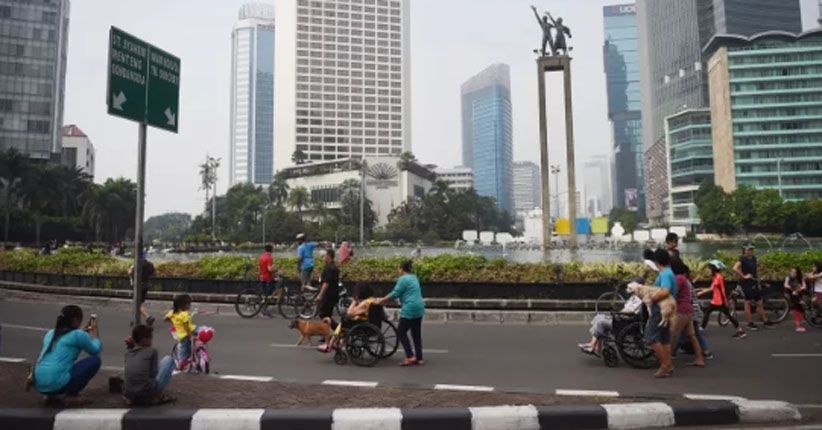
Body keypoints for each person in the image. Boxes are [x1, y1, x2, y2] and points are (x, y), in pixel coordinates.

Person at [32, 305, 102, 405]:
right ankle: (71, 395)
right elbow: (96, 349)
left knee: (58, 365)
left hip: (39, 383)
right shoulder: (77, 335)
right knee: (95, 360)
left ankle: (50, 396)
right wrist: (95, 331)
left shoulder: (50, 333)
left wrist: (81, 331)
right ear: (75, 320)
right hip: (56, 383)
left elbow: (70, 337)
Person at [629, 249, 676, 378]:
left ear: (657, 261)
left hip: (659, 308)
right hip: (665, 308)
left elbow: (665, 291)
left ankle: (665, 365)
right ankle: (669, 365)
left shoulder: (665, 274)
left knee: (650, 337)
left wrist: (652, 298)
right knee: (664, 339)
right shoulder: (668, 272)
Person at [376, 260, 425, 367]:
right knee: (416, 333)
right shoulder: (414, 277)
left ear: (402, 269)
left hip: (410, 308)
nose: (398, 270)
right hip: (419, 307)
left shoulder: (403, 279)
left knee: (401, 332)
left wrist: (381, 300)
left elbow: (395, 294)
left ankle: (410, 356)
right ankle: (419, 358)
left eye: (399, 268)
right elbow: (406, 293)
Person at [123, 324, 175, 405]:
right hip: (146, 391)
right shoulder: (152, 351)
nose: (152, 341)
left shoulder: (128, 352)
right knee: (168, 360)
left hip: (129, 392)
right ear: (144, 340)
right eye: (150, 338)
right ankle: (156, 396)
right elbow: (153, 374)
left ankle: (135, 398)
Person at [319, 283, 376, 353]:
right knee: (347, 322)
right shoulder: (373, 300)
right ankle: (340, 342)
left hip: (362, 326)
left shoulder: (364, 303)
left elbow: (349, 313)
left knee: (344, 323)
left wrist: (354, 301)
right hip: (371, 323)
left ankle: (330, 345)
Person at [668, 261, 705, 367]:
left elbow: (671, 292)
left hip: (681, 310)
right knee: (692, 335)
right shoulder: (684, 279)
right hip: (688, 310)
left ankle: (667, 361)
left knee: (672, 335)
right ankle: (699, 358)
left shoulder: (679, 278)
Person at [578, 295, 643, 355]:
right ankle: (596, 345)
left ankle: (593, 345)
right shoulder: (635, 297)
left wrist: (618, 313)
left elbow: (631, 311)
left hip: (624, 322)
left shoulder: (639, 300)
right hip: (623, 318)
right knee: (598, 317)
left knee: (600, 322)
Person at [699, 260, 746, 338]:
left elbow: (712, 288)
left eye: (711, 268)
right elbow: (713, 288)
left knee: (707, 313)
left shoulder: (718, 277)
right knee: (728, 316)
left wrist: (701, 292)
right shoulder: (717, 276)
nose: (709, 269)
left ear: (714, 269)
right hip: (719, 300)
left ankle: (701, 329)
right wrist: (701, 289)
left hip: (718, 301)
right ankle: (740, 331)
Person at [733, 244, 773, 330]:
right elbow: (735, 268)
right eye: (748, 250)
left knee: (759, 302)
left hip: (754, 282)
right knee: (748, 302)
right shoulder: (742, 259)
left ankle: (765, 321)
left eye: (751, 249)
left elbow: (756, 271)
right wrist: (744, 276)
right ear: (744, 250)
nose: (750, 251)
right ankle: (749, 323)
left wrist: (758, 281)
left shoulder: (754, 258)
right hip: (746, 283)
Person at [164, 294, 198, 370]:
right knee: (185, 349)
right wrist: (190, 335)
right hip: (185, 334)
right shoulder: (184, 314)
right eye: (188, 304)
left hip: (180, 333)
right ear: (183, 305)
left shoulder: (172, 312)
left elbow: (165, 319)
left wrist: (174, 323)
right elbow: (186, 327)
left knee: (186, 348)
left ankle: (185, 360)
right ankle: (180, 364)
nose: (190, 306)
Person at [128, 252, 157, 326]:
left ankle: (148, 317)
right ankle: (133, 319)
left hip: (138, 286)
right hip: (146, 285)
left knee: (137, 303)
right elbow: (154, 274)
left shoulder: (136, 264)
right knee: (139, 303)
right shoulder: (150, 264)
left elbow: (130, 273)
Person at [316, 249, 341, 321]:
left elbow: (326, 283)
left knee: (323, 315)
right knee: (327, 316)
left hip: (328, 295)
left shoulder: (329, 268)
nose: (323, 258)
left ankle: (337, 329)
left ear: (329, 256)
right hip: (333, 294)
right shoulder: (333, 267)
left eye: (324, 256)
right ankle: (334, 330)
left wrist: (320, 295)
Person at [784, 267, 807, 333]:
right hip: (790, 293)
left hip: (798, 293)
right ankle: (798, 326)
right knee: (797, 307)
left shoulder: (800, 278)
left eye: (794, 272)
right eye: (791, 271)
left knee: (800, 309)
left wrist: (799, 289)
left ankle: (799, 323)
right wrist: (793, 289)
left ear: (797, 273)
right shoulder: (788, 277)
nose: (792, 273)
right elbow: (785, 285)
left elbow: (804, 286)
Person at [258, 244, 277, 318]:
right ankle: (265, 310)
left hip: (262, 277)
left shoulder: (261, 257)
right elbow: (269, 269)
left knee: (264, 294)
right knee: (269, 295)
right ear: (271, 250)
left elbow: (259, 268)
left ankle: (263, 309)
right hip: (268, 278)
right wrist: (276, 269)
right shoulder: (269, 258)